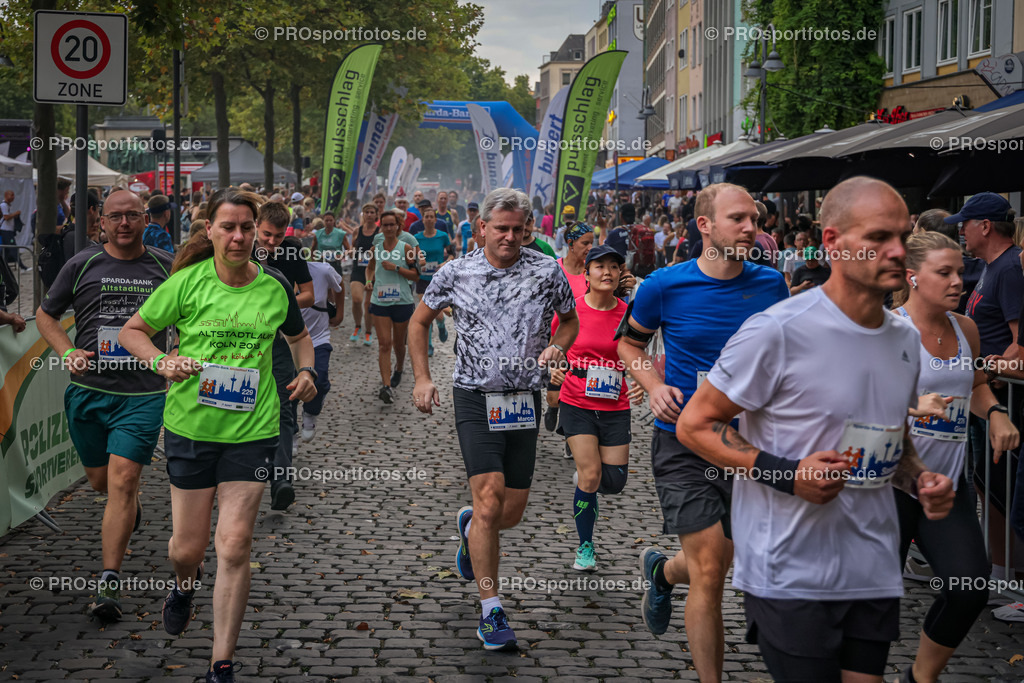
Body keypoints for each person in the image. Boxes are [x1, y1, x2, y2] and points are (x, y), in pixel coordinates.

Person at [675, 177, 955, 682]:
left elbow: (893, 434)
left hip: (871, 564)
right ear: (833, 243)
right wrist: (787, 474)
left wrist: (918, 479)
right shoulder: (779, 330)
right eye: (878, 238)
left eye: (903, 237)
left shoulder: (905, 337)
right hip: (790, 570)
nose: (896, 252)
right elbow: (695, 425)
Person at [119, 188, 316, 683]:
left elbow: (299, 337)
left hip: (252, 431)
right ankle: (184, 586)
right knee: (186, 550)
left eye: (246, 228)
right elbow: (132, 331)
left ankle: (220, 662)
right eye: (228, 227)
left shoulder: (273, 286)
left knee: (232, 545)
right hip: (190, 429)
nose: (238, 236)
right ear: (209, 230)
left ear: (258, 232)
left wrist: (308, 371)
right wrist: (162, 361)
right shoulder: (186, 283)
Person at [618, 183, 789, 682]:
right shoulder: (663, 285)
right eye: (738, 219)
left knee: (718, 560)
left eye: (754, 219)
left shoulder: (771, 285)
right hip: (683, 438)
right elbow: (630, 344)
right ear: (705, 226)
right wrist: (651, 384)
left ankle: (662, 571)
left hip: (748, 444)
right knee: (711, 569)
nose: (751, 228)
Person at [409, 188, 578, 652]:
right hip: (474, 397)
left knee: (510, 513)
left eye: (517, 229)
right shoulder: (456, 271)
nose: (508, 237)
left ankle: (471, 532)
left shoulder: (546, 270)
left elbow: (570, 319)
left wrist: (558, 345)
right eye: (500, 228)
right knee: (488, 501)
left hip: (523, 399)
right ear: (481, 227)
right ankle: (492, 610)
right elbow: (418, 321)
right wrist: (423, 378)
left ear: (527, 230)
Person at [36, 189, 173, 622]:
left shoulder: (166, 268)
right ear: (101, 222)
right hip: (89, 391)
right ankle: (125, 507)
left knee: (124, 478)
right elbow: (45, 314)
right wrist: (65, 351)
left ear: (144, 219)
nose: (125, 223)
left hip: (143, 394)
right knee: (101, 483)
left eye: (133, 215)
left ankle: (108, 581)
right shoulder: (81, 265)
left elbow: (191, 317)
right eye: (116, 217)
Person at [893, 231, 1018, 683]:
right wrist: (912, 405)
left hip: (947, 484)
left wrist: (998, 414)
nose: (958, 282)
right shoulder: (891, 331)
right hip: (890, 486)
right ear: (913, 277)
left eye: (960, 272)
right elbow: (857, 401)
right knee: (871, 603)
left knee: (969, 586)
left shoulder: (965, 329)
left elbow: (975, 384)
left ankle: (920, 677)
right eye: (944, 273)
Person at [551, 244, 643, 571]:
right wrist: (554, 371)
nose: (607, 272)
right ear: (586, 273)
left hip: (615, 405)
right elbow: (552, 349)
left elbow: (639, 355)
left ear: (620, 275)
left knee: (614, 481)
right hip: (576, 401)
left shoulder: (630, 315)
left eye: (614, 267)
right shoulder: (570, 311)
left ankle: (586, 478)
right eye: (599, 266)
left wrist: (641, 382)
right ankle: (585, 546)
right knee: (590, 476)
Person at [254, 201, 314, 510]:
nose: (272, 242)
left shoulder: (292, 250)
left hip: (279, 338)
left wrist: (283, 304)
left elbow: (309, 294)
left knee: (284, 404)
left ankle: (280, 481)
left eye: (278, 236)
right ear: (256, 226)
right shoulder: (240, 249)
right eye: (266, 235)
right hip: (237, 340)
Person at [364, 209, 421, 403]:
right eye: (385, 225)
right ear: (381, 227)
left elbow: (416, 275)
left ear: (398, 227)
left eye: (392, 224)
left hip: (402, 301)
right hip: (380, 301)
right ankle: (386, 386)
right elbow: (370, 267)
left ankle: (399, 368)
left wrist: (396, 268)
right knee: (384, 344)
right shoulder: (376, 248)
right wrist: (369, 280)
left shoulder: (406, 248)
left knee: (398, 343)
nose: (388, 228)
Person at [543, 223, 595, 434]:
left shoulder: (591, 273)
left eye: (593, 242)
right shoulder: (555, 269)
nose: (590, 247)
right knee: (555, 396)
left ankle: (572, 434)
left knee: (578, 391)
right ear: (571, 243)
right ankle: (553, 408)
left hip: (584, 341)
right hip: (558, 339)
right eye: (585, 243)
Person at [299, 260, 343, 441]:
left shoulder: (322, 270)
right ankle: (291, 433)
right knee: (286, 392)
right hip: (285, 340)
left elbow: (339, 284)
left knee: (320, 379)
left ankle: (310, 412)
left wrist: (339, 313)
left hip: (318, 337)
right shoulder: (272, 270)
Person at [413, 206, 453, 357]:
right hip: (422, 279)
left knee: (436, 313)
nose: (429, 219)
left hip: (438, 279)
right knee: (426, 313)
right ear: (422, 220)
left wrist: (444, 263)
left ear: (435, 220)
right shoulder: (417, 238)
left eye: (431, 217)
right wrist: (418, 260)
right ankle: (428, 344)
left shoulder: (442, 236)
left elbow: (451, 254)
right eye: (426, 217)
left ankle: (441, 325)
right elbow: (411, 256)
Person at [348, 203, 381, 346]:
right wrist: (350, 251)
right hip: (358, 269)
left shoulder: (379, 233)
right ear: (363, 214)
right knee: (356, 299)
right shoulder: (357, 231)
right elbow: (352, 247)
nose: (369, 215)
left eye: (371, 212)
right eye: (366, 212)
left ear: (376, 215)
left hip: (374, 271)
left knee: (369, 304)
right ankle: (357, 326)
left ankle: (368, 332)